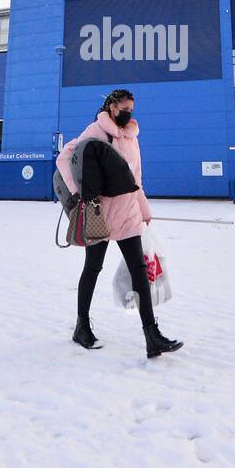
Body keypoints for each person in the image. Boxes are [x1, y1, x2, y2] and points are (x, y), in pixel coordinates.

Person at [55, 89, 183, 359]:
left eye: (131, 109)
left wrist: (144, 210)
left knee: (139, 270)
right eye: (124, 108)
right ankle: (81, 327)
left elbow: (135, 179)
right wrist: (78, 195)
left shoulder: (133, 138)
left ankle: (152, 335)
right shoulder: (96, 131)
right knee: (93, 268)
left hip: (127, 214)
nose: (128, 113)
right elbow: (64, 158)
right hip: (99, 213)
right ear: (112, 107)